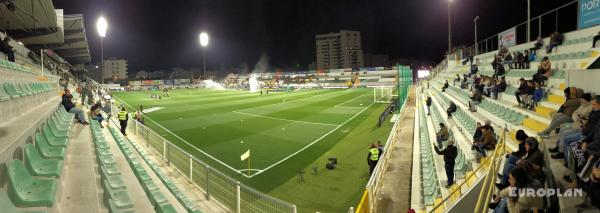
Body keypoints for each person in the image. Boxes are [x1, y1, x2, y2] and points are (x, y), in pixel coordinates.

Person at [550, 93, 593, 159]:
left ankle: (561, 152)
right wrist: (576, 116)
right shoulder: (582, 105)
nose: (581, 100)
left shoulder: (590, 108)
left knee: (565, 132)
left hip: (579, 127)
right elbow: (574, 113)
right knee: (562, 127)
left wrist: (577, 117)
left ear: (586, 100)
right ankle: (558, 146)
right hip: (574, 124)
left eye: (582, 99)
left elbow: (580, 117)